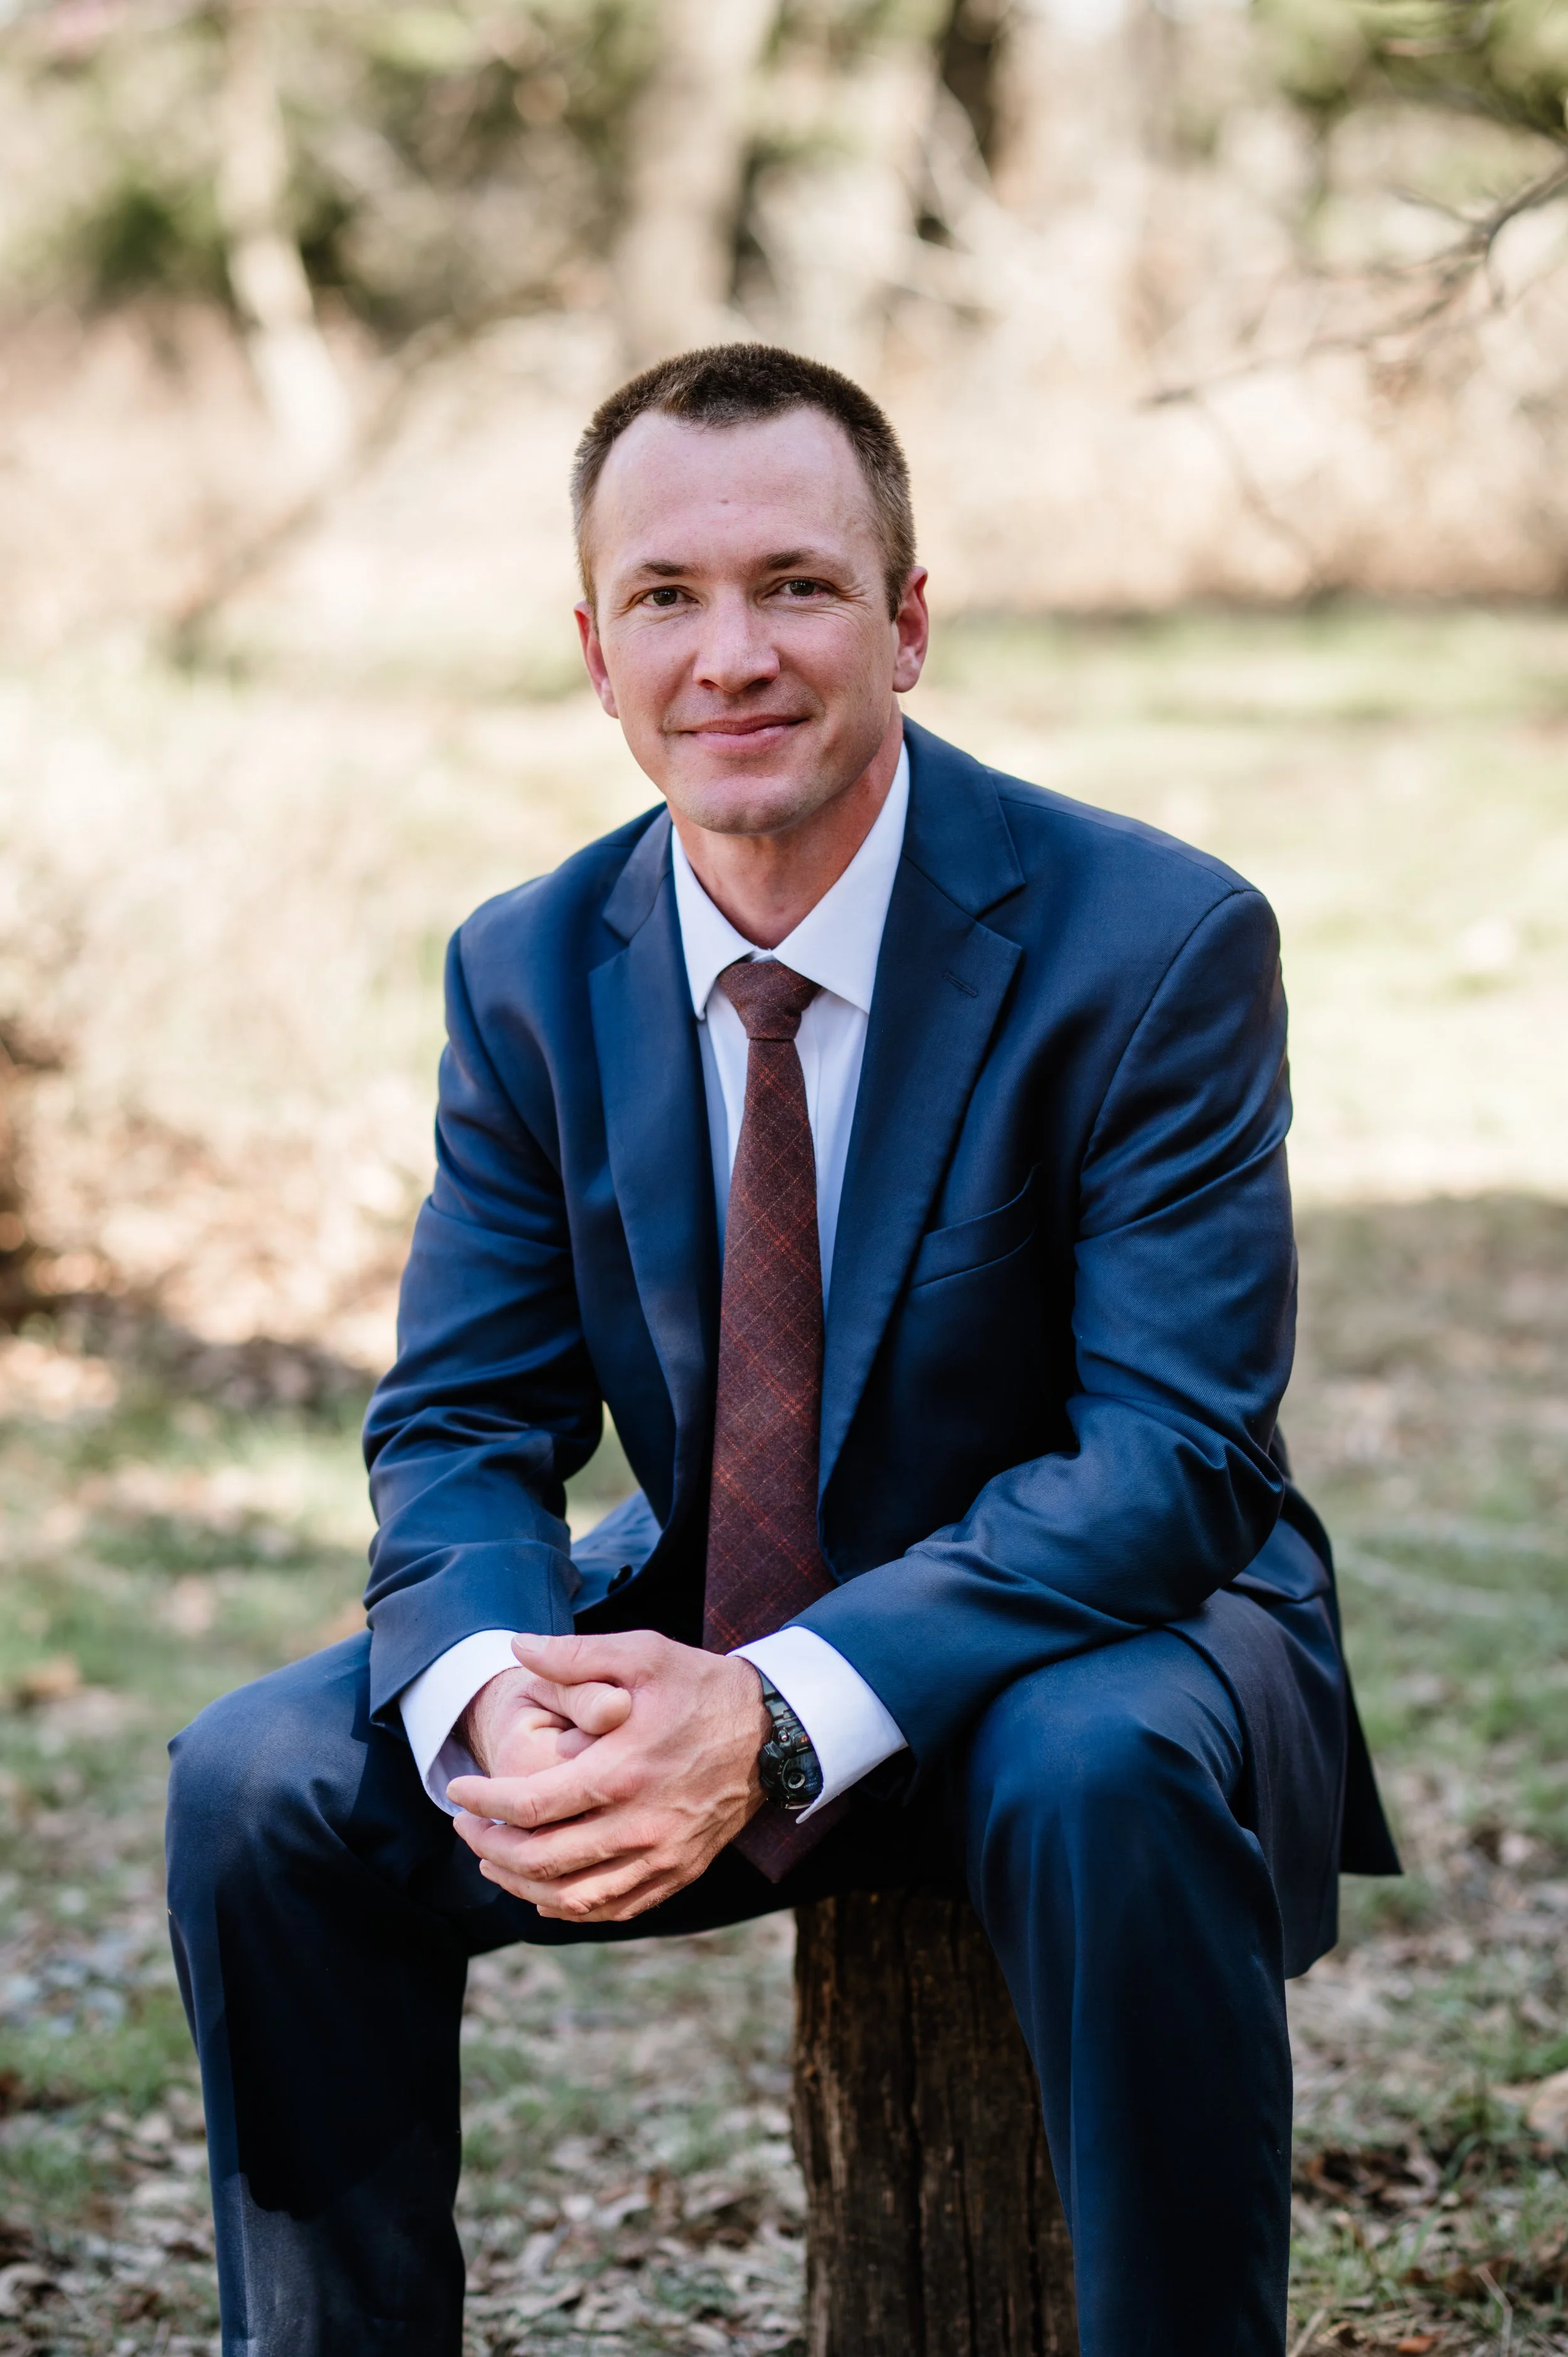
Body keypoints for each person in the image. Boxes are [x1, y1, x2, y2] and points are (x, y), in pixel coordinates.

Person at [165, 342, 1397, 2357]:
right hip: (722, 1597)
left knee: (1090, 1768)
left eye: (795, 586)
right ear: (595, 651)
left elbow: (1171, 1458)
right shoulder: (528, 965)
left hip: (1109, 1630)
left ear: (907, 623)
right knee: (260, 1778)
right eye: (666, 596)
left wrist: (778, 1700)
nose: (727, 653)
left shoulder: (1152, 941)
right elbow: (469, 1412)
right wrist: (489, 1685)